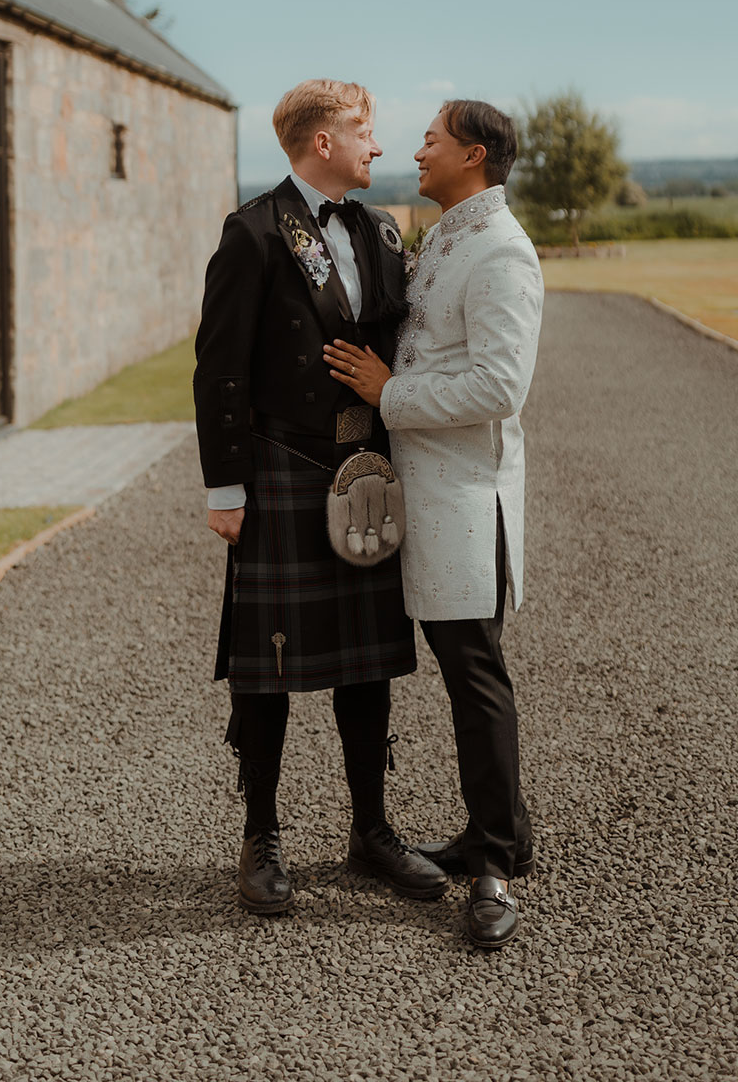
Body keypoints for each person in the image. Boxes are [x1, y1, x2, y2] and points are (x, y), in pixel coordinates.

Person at [194, 78, 448, 915]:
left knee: (367, 662)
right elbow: (219, 367)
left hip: (362, 474)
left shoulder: (379, 228)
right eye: (365, 131)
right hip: (280, 470)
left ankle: (370, 831)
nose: (379, 146)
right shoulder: (255, 232)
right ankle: (260, 835)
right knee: (265, 669)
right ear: (322, 141)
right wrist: (225, 485)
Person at [325, 99, 544, 948]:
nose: (416, 150)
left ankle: (492, 860)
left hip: (464, 502)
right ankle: (504, 832)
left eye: (432, 139)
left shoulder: (502, 252)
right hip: (424, 494)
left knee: (474, 677)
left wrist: (389, 394)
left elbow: (499, 388)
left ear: (475, 155)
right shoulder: (451, 233)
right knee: (465, 672)